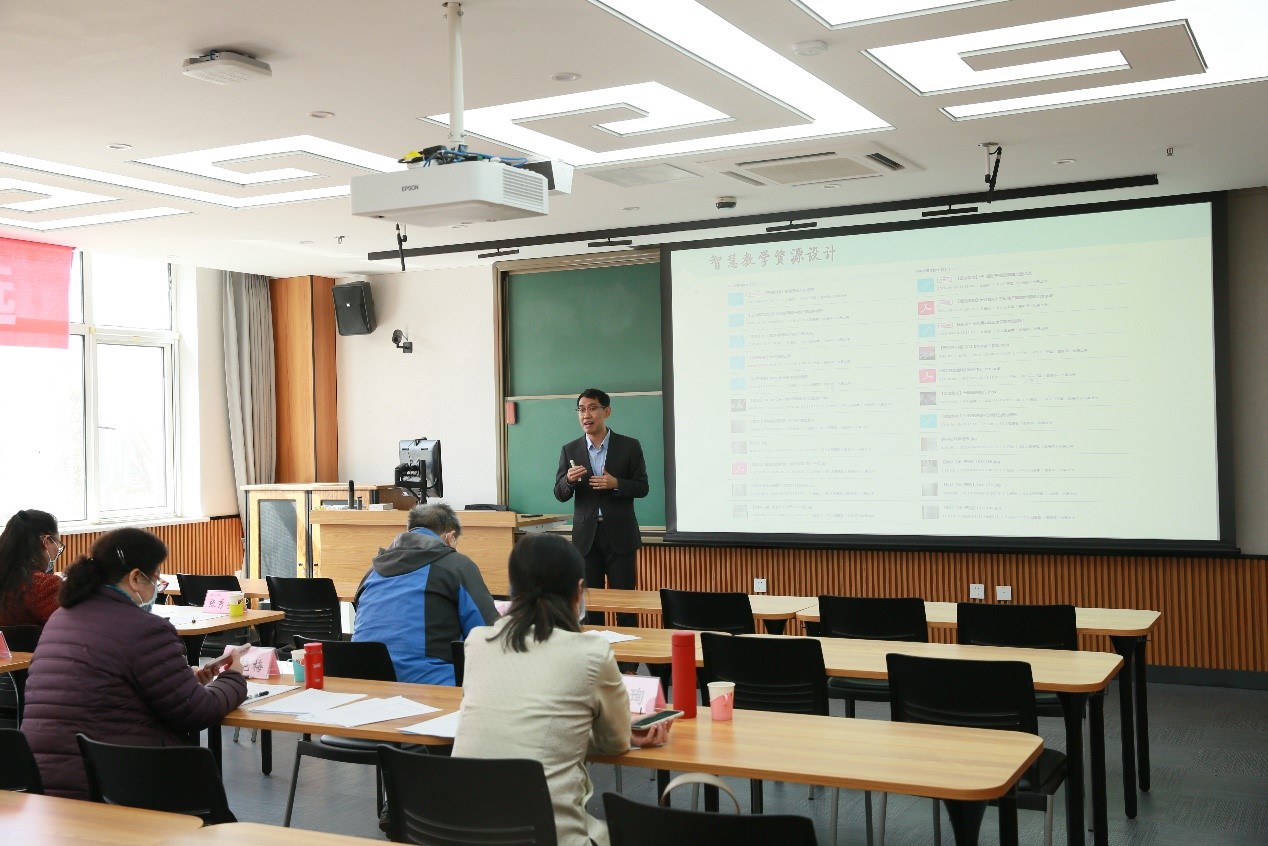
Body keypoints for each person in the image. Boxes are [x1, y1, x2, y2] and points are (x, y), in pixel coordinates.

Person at [454, 533, 669, 846]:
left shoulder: (477, 642)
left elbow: (517, 724)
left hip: (461, 831)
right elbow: (615, 741)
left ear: (512, 589)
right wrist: (626, 734)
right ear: (578, 591)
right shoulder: (591, 653)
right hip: (547, 835)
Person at [21, 528, 248, 799]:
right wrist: (234, 678)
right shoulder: (147, 629)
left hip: (44, 784)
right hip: (115, 786)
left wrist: (181, 681)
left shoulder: (60, 618)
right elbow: (198, 712)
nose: (156, 589)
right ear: (136, 578)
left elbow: (107, 691)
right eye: (156, 579)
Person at [353, 502, 499, 685]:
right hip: (431, 684)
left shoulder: (372, 572)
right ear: (450, 537)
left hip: (364, 680)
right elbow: (488, 632)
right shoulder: (456, 565)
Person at [553, 388, 649, 625]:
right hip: (586, 537)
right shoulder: (569, 449)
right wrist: (569, 480)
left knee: (625, 605)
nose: (586, 415)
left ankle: (629, 651)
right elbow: (559, 493)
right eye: (581, 409)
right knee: (590, 606)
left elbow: (642, 487)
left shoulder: (629, 446)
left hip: (620, 534)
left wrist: (617, 484)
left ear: (606, 412)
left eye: (592, 408)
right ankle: (593, 649)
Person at [0, 509, 64, 626]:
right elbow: (66, 627)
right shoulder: (45, 585)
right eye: (58, 545)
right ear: (46, 541)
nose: (58, 552)